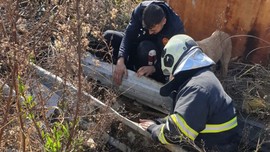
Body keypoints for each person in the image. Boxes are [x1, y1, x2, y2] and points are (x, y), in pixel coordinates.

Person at [139, 34, 241, 151]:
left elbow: (176, 135)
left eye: (170, 74)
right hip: (218, 144)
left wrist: (154, 129)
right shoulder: (201, 78)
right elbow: (186, 116)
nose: (170, 78)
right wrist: (159, 122)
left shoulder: (196, 89)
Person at [103, 0, 185, 85]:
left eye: (153, 30)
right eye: (148, 29)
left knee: (146, 48)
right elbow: (128, 36)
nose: (150, 32)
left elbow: (176, 55)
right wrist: (121, 59)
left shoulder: (175, 27)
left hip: (155, 58)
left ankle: (143, 76)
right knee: (108, 36)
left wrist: (155, 68)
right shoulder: (140, 9)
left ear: (163, 21)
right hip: (137, 47)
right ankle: (124, 66)